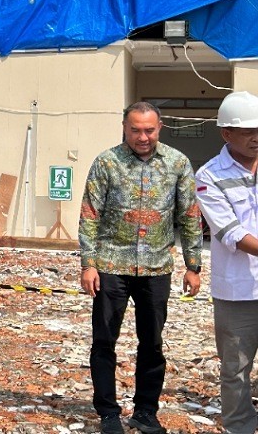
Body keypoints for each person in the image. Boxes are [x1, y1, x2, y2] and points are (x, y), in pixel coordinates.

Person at [79, 101, 203, 434]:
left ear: (160, 127)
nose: (143, 137)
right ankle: (107, 413)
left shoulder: (177, 163)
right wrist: (88, 264)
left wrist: (193, 265)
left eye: (149, 130)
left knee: (152, 342)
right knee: (104, 341)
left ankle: (145, 411)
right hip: (110, 265)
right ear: (124, 127)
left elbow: (189, 215)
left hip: (157, 268)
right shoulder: (107, 162)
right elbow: (90, 214)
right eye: (135, 130)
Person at [194, 92, 258, 434]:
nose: (256, 137)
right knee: (236, 368)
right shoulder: (209, 176)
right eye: (248, 130)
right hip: (239, 291)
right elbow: (231, 233)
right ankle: (240, 426)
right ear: (226, 134)